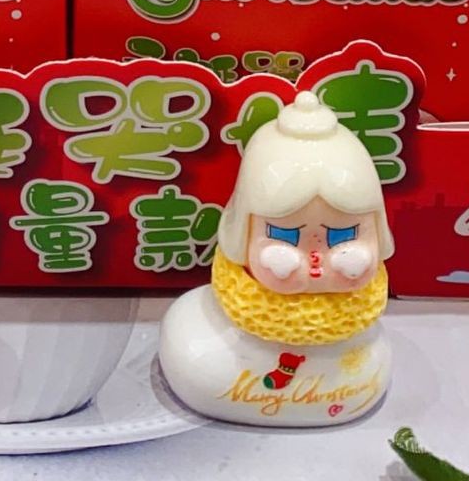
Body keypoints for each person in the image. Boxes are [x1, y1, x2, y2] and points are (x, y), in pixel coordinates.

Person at [158, 90, 394, 426]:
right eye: (286, 236)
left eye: (342, 236)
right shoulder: (194, 339)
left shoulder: (368, 351)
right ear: (243, 231)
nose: (316, 257)